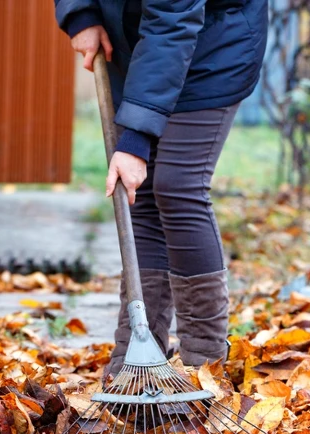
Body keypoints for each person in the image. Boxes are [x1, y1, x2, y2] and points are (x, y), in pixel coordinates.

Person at [54, 0, 268, 377]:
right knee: (145, 195)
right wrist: (80, 14)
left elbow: (173, 20)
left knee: (177, 184)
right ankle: (134, 360)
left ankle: (204, 363)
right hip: (140, 46)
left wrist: (136, 139)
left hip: (213, 44)